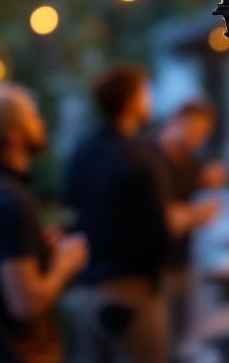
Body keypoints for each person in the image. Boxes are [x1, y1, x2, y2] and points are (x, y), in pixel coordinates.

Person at [0, 83, 89, 363]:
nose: (41, 123)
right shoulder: (13, 202)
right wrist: (66, 263)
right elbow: (26, 304)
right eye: (33, 117)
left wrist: (34, 248)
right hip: (11, 353)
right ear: (14, 136)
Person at [64, 65, 173, 362]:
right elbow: (157, 231)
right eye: (145, 92)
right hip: (131, 290)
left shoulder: (82, 152)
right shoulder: (143, 157)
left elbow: (71, 209)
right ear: (131, 100)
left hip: (85, 290)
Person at [153, 100, 226, 350]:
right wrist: (196, 214)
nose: (199, 139)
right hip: (153, 268)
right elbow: (167, 217)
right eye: (196, 131)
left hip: (182, 261)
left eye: (204, 134)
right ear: (176, 123)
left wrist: (206, 185)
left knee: (179, 341)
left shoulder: (191, 164)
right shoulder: (151, 160)